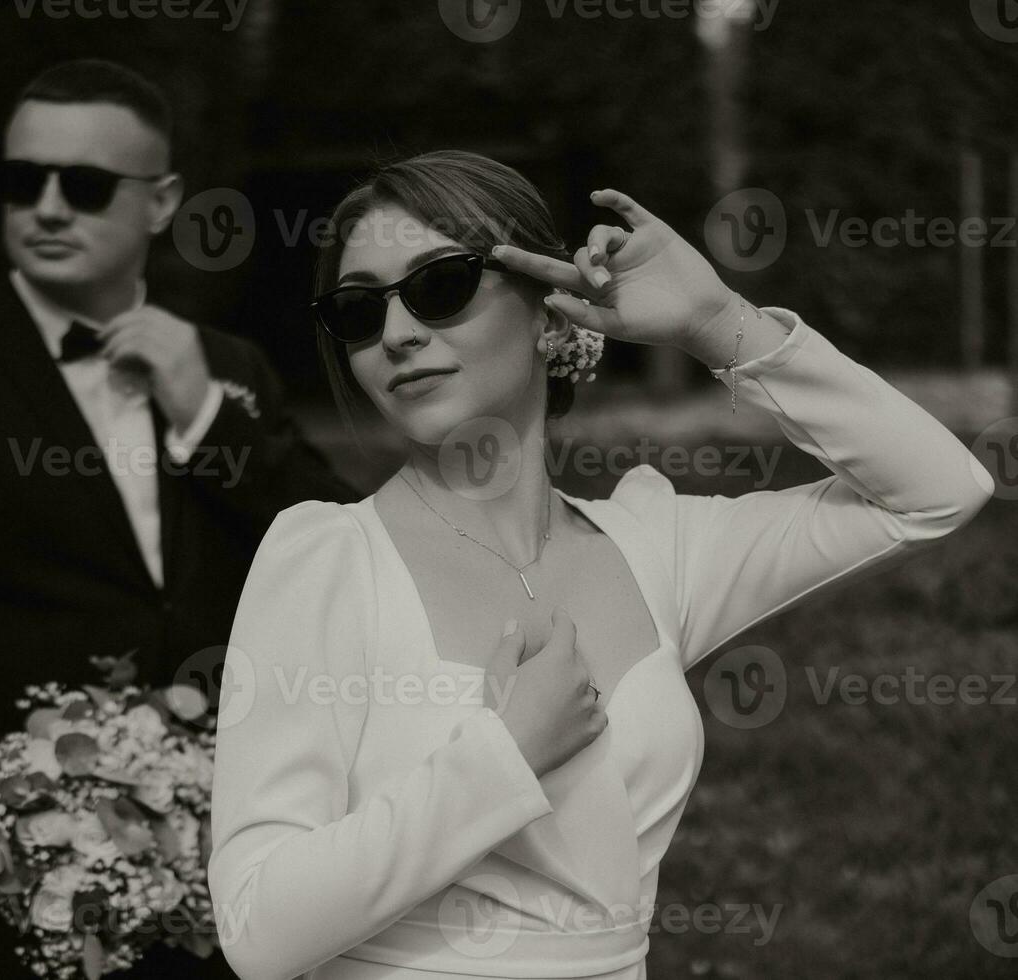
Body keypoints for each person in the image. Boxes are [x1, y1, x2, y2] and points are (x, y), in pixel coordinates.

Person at [207, 150, 993, 980]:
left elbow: (936, 491)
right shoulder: (325, 561)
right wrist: (503, 759)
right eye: (359, 310)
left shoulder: (658, 548)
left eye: (440, 285)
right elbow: (259, 929)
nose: (398, 334)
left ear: (553, 315)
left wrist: (716, 321)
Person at [0, 59, 358, 980]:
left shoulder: (232, 366)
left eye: (85, 186)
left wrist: (205, 416)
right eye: (23, 181)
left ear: (162, 200)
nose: (47, 207)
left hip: (246, 883)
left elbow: (342, 561)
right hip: (18, 895)